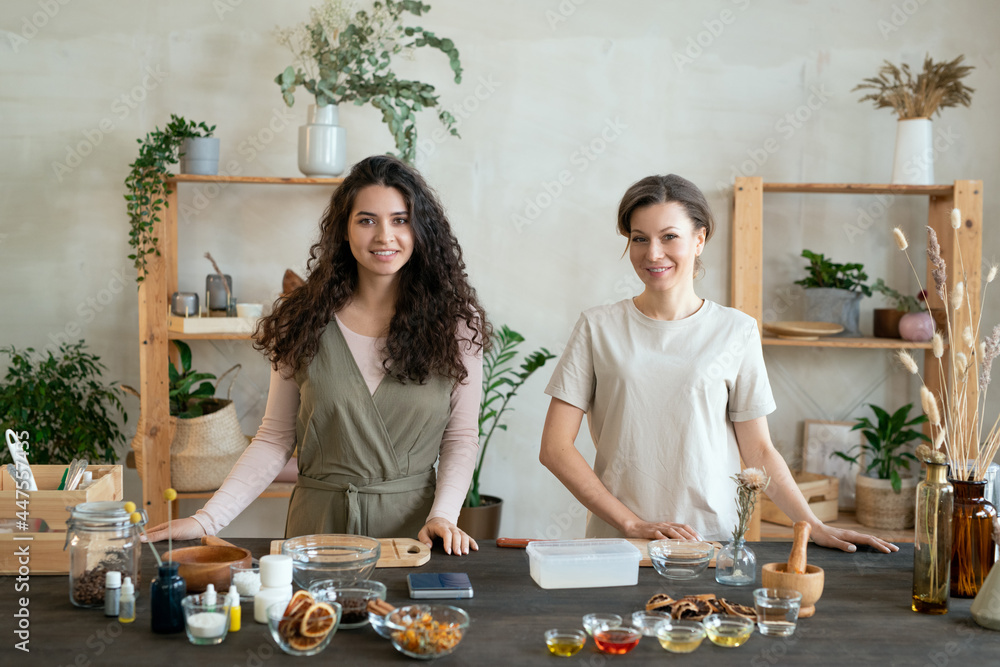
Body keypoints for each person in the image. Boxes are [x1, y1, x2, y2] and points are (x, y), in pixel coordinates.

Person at [145, 155, 489, 555]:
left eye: (400, 219)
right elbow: (274, 439)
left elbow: (460, 438)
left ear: (421, 229)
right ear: (344, 229)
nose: (384, 236)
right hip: (316, 533)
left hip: (414, 537)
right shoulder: (301, 319)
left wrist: (443, 516)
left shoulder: (457, 325)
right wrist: (207, 518)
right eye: (366, 220)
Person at [539, 174, 897, 553]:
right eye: (639, 238)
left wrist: (811, 525)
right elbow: (555, 447)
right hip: (620, 545)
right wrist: (631, 523)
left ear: (699, 239)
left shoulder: (736, 331)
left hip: (710, 544)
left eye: (669, 237)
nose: (653, 253)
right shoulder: (598, 327)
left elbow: (757, 450)